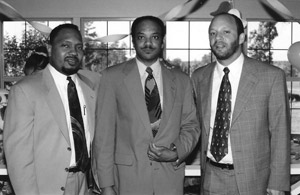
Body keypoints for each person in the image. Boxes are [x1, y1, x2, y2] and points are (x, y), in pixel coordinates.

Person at [93, 15, 200, 195]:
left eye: (155, 37)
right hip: (127, 181)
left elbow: (191, 125)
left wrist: (176, 151)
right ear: (133, 41)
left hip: (169, 181)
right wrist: (106, 185)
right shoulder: (112, 78)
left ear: (162, 41)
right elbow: (103, 135)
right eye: (141, 37)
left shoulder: (182, 80)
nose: (148, 43)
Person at [192, 13, 291, 195]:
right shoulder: (199, 77)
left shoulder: (270, 76)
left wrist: (277, 183)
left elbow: (280, 132)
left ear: (241, 37)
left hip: (253, 181)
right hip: (210, 178)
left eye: (226, 32)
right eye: (212, 33)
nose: (218, 38)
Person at [4, 23, 100, 195]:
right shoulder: (25, 90)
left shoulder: (92, 84)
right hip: (46, 187)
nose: (73, 52)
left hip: (86, 184)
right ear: (49, 48)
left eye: (79, 47)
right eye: (65, 45)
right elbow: (18, 157)